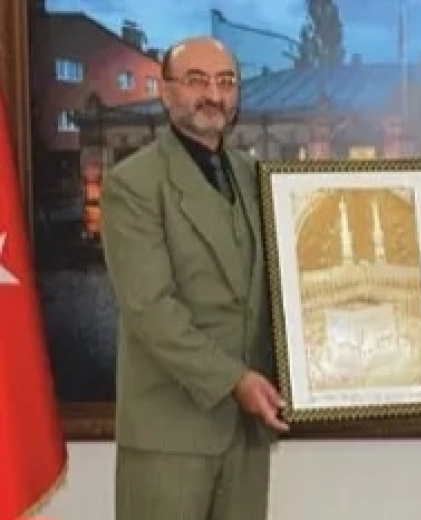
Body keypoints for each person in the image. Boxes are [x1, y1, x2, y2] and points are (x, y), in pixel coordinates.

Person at [100, 36, 288, 520]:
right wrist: (235, 380)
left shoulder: (256, 177)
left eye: (226, 82)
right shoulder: (132, 184)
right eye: (197, 81)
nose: (214, 95)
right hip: (170, 437)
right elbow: (150, 309)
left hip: (246, 434)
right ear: (166, 92)